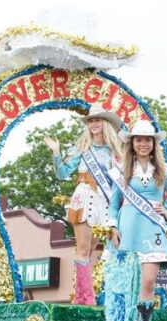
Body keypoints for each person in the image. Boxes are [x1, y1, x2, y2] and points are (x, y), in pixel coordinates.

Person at [107, 119, 167, 321]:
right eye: (139, 140)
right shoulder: (121, 170)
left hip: (153, 230)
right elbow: (113, 204)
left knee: (149, 282)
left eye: (147, 140)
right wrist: (112, 226)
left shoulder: (164, 170)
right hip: (127, 230)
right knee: (125, 285)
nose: (143, 144)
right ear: (132, 143)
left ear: (154, 144)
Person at [45, 104, 125, 305]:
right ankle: (87, 298)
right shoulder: (80, 147)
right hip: (85, 196)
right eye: (91, 120)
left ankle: (81, 296)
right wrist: (56, 153)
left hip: (105, 201)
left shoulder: (115, 152)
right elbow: (62, 174)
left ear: (105, 123)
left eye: (98, 120)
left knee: (92, 249)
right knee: (82, 248)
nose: (94, 123)